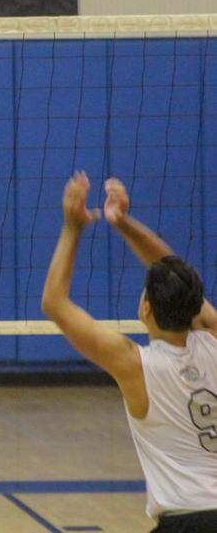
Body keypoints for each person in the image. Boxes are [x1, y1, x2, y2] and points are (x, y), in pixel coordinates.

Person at [42, 174, 217, 532]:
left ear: (147, 310)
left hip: (185, 522)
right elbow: (178, 275)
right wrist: (123, 223)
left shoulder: (135, 364)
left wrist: (72, 227)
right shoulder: (213, 337)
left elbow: (54, 302)